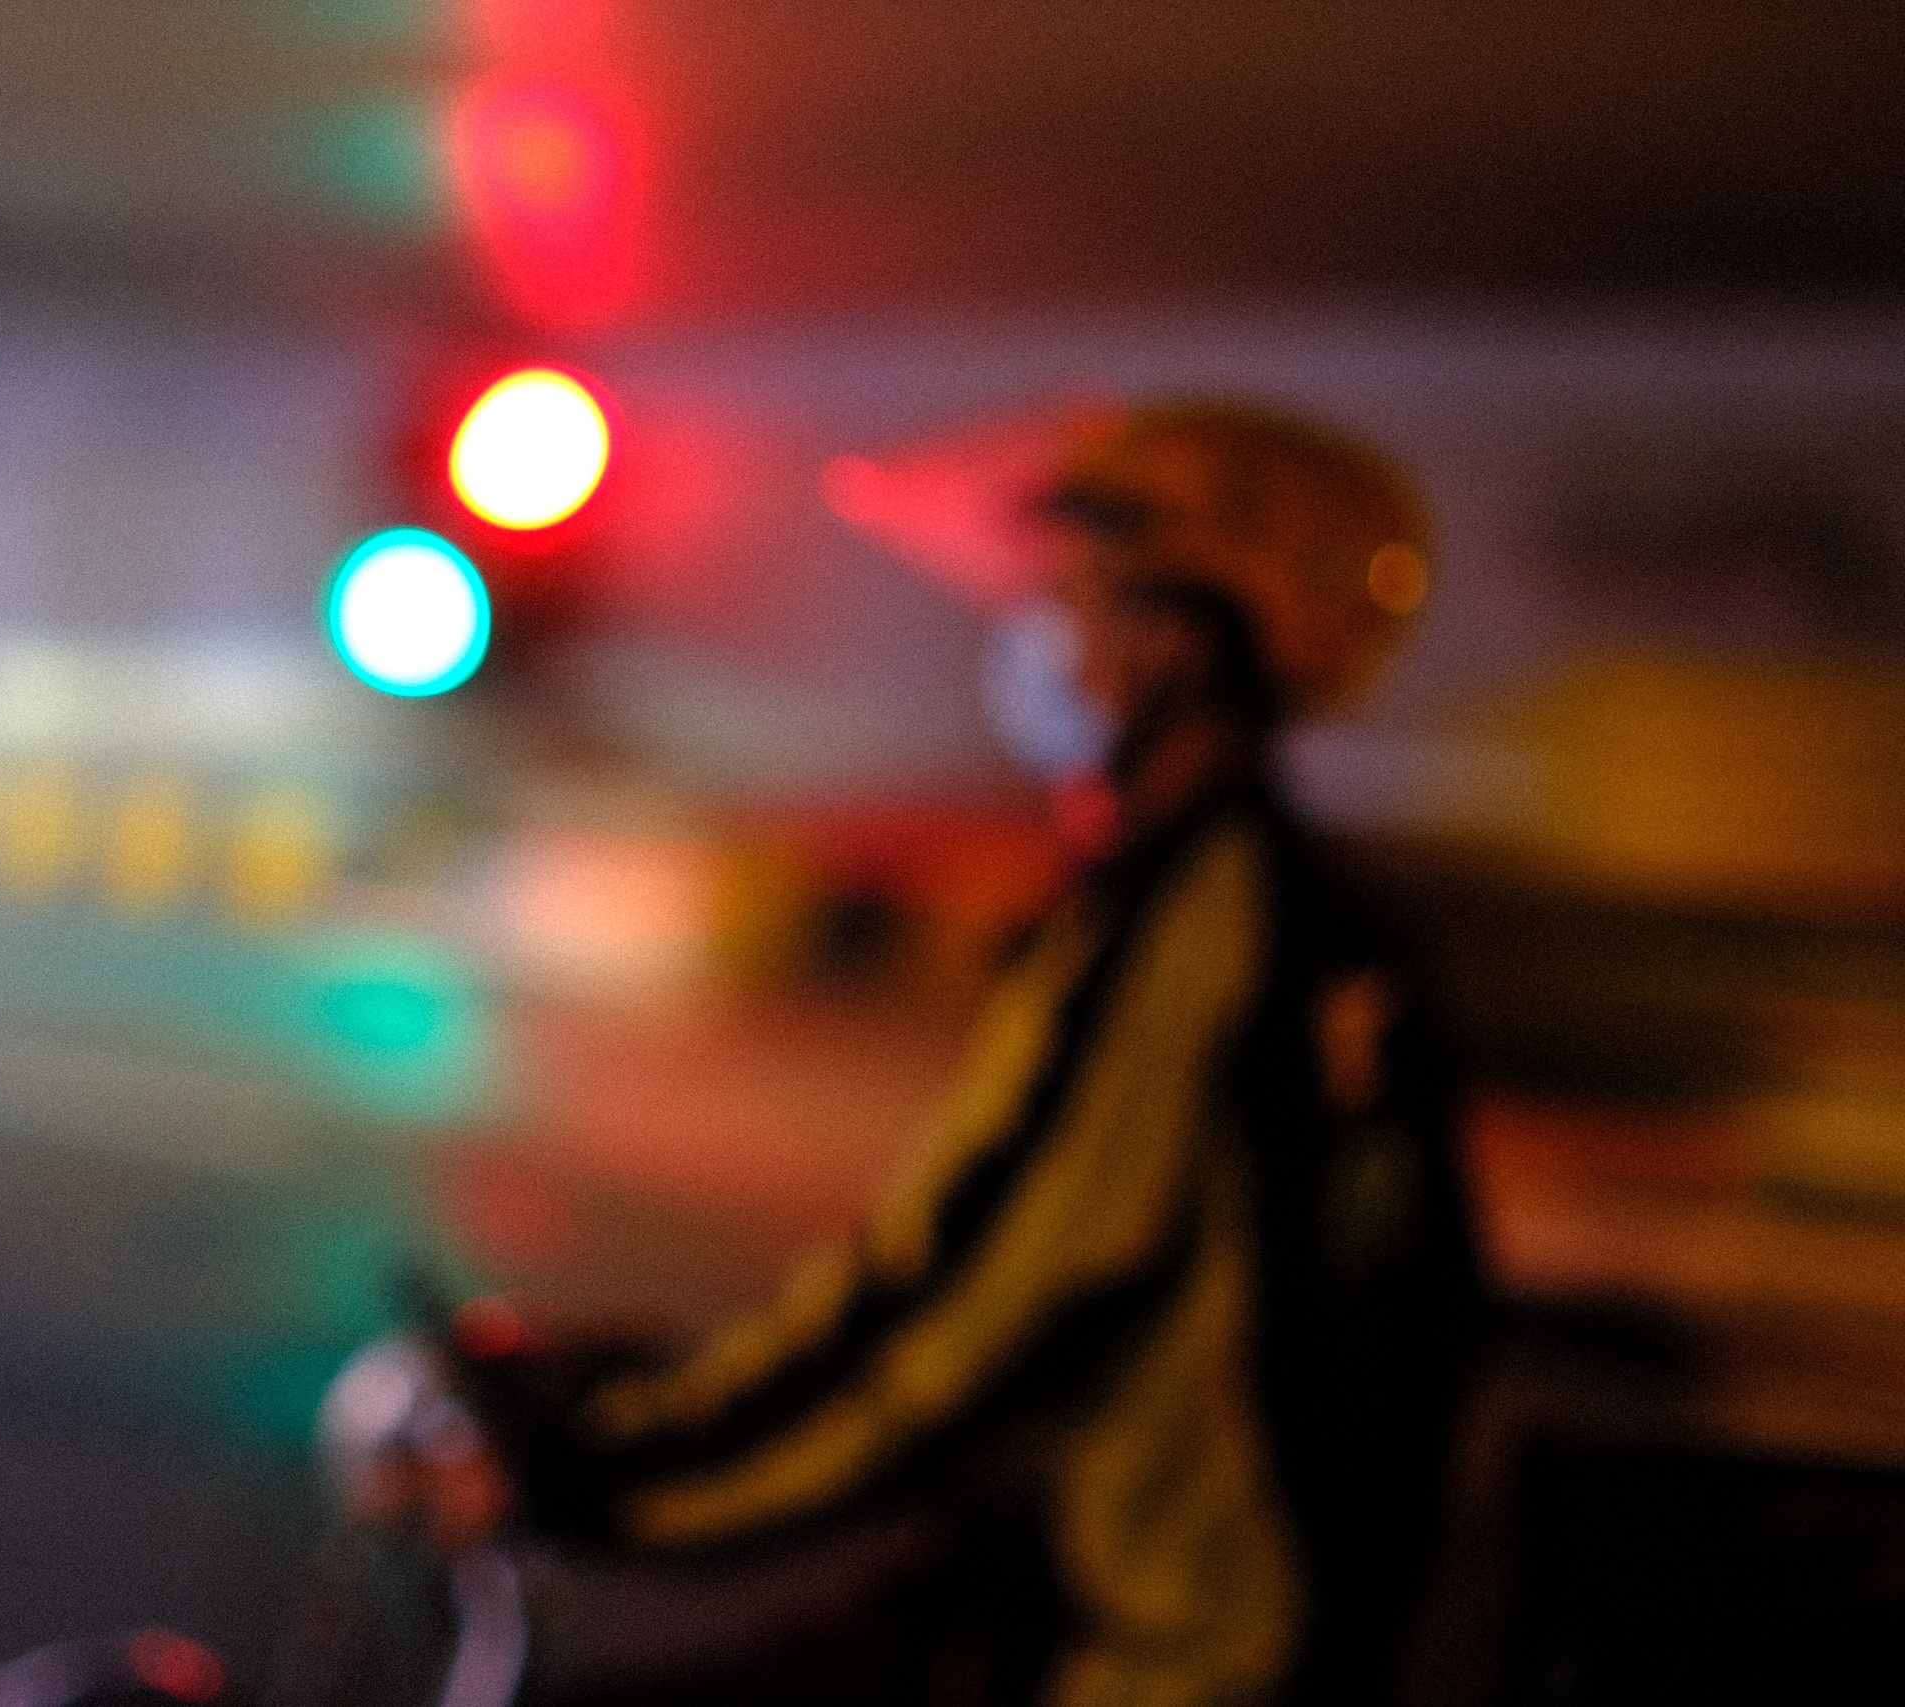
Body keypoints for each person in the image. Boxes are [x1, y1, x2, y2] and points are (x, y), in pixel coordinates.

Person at [348, 400, 1484, 1707]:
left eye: (1069, 593)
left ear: (1176, 640)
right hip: (1164, 1614)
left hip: (1160, 1665)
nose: (1036, 636)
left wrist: (588, 1479)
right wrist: (646, 1398)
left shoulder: (1191, 933)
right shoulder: (1330, 930)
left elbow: (968, 1313)